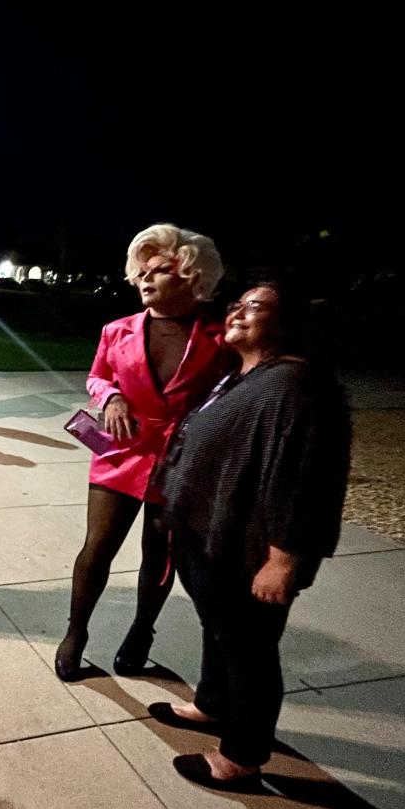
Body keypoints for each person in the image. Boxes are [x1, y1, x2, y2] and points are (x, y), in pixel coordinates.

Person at [149, 281, 351, 792]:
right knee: (219, 631)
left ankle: (241, 757)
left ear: (286, 323)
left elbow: (305, 481)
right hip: (211, 537)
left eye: (253, 306)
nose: (236, 311)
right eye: (235, 304)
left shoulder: (295, 386)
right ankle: (212, 706)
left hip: (251, 551)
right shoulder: (244, 375)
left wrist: (283, 559)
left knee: (250, 651)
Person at [55, 224, 233, 680]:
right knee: (97, 548)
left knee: (160, 556)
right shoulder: (117, 331)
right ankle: (76, 632)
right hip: (120, 452)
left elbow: (235, 394)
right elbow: (97, 377)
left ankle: (141, 632)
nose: (145, 279)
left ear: (192, 277)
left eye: (160, 270)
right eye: (142, 271)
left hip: (181, 463)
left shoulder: (219, 338)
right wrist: (110, 397)